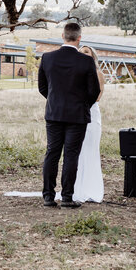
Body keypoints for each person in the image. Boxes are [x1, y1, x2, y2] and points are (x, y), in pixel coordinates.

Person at [39, 22, 102, 208]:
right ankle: (67, 197)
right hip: (77, 115)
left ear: (62, 36)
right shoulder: (86, 61)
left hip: (54, 113)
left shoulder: (48, 57)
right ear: (79, 38)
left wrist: (54, 101)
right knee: (71, 155)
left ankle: (48, 197)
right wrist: (82, 105)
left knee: (52, 153)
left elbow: (42, 87)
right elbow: (94, 90)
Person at [69, 45, 107, 204]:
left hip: (91, 114)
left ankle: (91, 189)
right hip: (75, 114)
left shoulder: (98, 74)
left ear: (93, 57)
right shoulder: (76, 73)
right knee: (78, 152)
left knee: (90, 150)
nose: (82, 54)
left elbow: (97, 97)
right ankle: (77, 188)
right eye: (80, 52)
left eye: (86, 52)